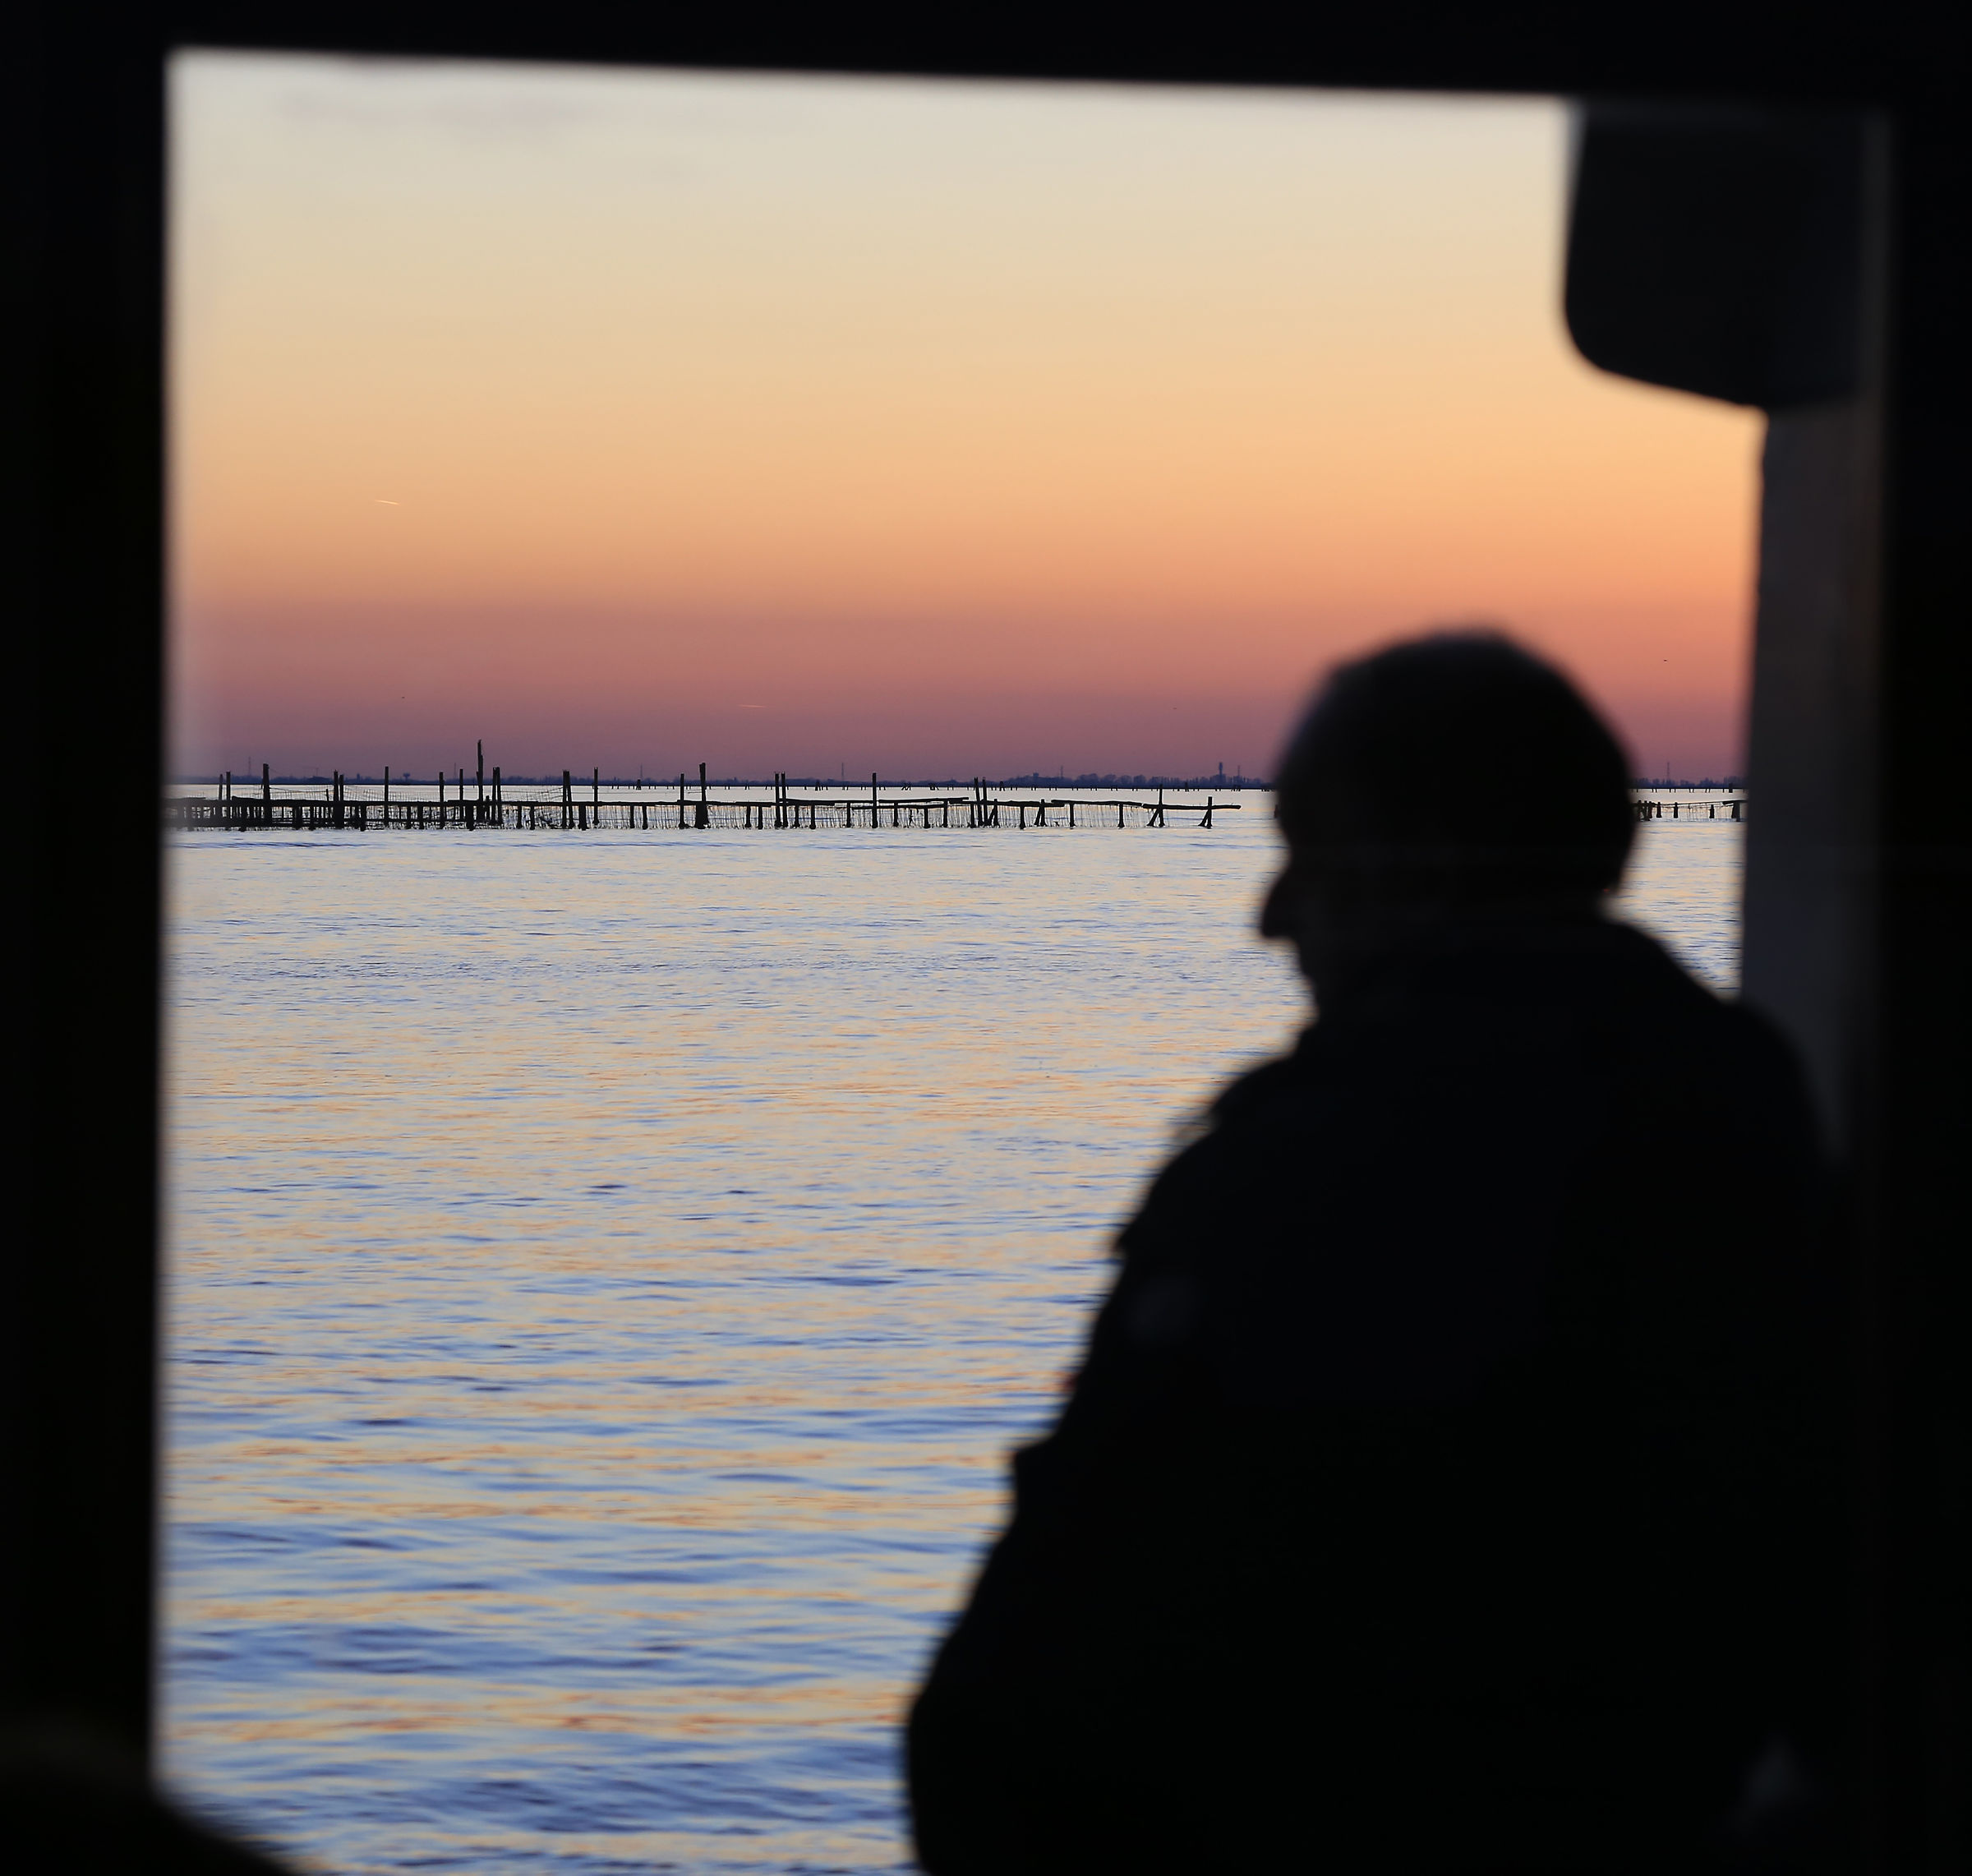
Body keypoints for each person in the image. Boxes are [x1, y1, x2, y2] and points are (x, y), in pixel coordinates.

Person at [906, 634, 1846, 1874]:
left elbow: (1140, 1569)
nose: (1272, 915)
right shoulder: (1730, 1097)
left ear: (1425, 862)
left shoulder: (1344, 1146)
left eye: (1308, 853)